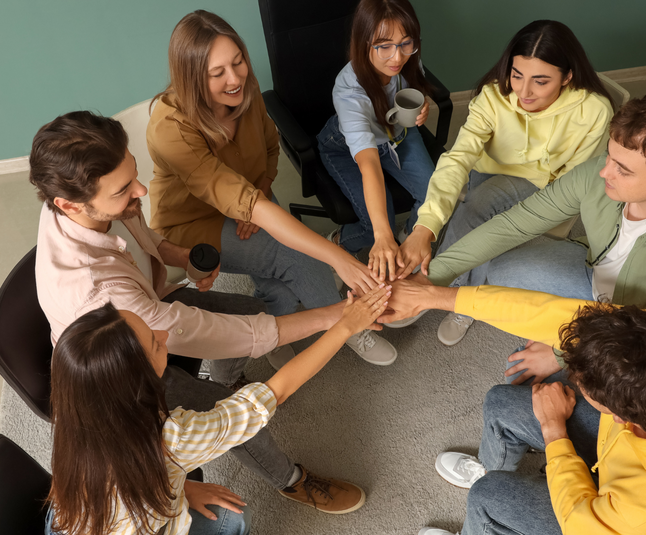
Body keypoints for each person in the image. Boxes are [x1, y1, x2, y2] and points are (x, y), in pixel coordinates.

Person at [31, 110, 365, 512]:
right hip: (121, 372)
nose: (141, 191)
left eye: (133, 174)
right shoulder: (95, 290)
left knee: (248, 309)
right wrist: (338, 319)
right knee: (239, 422)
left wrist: (180, 255)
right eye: (122, 190)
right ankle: (290, 481)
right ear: (69, 205)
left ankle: (228, 379)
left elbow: (147, 244)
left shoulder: (90, 205)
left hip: (143, 314)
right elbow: (239, 358)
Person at [377, 283, 646, 535]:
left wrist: (554, 433)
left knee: (488, 496)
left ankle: (485, 523)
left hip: (627, 523)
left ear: (621, 416)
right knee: (501, 402)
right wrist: (438, 296)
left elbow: (581, 519)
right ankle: (497, 466)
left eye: (584, 387)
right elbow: (549, 311)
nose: (573, 379)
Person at [412, 89, 646, 376]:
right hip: (592, 278)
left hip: (645, 339)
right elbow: (516, 223)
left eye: (623, 169)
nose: (604, 171)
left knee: (545, 401)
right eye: (609, 155)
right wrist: (431, 279)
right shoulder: (600, 172)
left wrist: (561, 353)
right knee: (497, 268)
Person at [146, 10, 396, 366]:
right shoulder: (170, 129)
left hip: (252, 193)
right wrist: (339, 259)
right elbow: (232, 195)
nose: (235, 79)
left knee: (277, 279)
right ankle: (347, 321)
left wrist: (261, 191)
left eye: (238, 62)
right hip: (194, 221)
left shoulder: (244, 93)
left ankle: (268, 333)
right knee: (301, 257)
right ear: (191, 78)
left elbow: (267, 149)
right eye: (218, 73)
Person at [46, 285, 390, 535]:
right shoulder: (175, 439)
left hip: (70, 524)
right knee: (234, 520)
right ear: (139, 382)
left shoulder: (76, 406)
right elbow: (276, 391)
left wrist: (174, 487)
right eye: (155, 342)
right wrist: (345, 325)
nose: (165, 334)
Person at [389, 20, 615, 338]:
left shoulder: (594, 112)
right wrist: (424, 230)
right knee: (448, 207)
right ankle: (437, 278)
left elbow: (572, 184)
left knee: (473, 210)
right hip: (487, 167)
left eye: (540, 81)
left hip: (543, 185)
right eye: (517, 74)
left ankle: (450, 297)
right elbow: (459, 158)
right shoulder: (494, 95)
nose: (523, 91)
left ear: (567, 77)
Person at [316, 0, 435, 282]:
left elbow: (416, 84)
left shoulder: (408, 54)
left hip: (396, 132)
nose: (397, 57)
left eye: (406, 43)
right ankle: (339, 242)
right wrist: (383, 237)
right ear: (363, 42)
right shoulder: (349, 89)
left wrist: (424, 103)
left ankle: (407, 237)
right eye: (384, 46)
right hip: (347, 148)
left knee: (437, 196)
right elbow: (369, 163)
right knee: (377, 226)